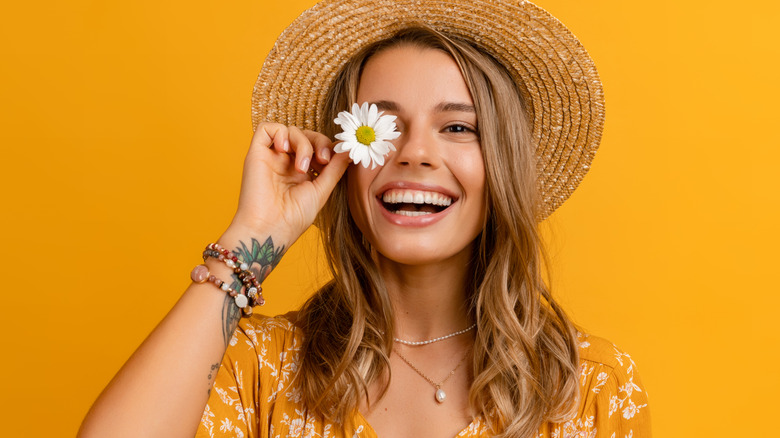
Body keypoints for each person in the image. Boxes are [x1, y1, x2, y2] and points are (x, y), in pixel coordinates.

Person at [79, 0, 651, 437]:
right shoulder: (257, 366)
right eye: (382, 126)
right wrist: (253, 236)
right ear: (344, 158)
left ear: (501, 164)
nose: (414, 153)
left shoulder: (593, 387)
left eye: (458, 127)